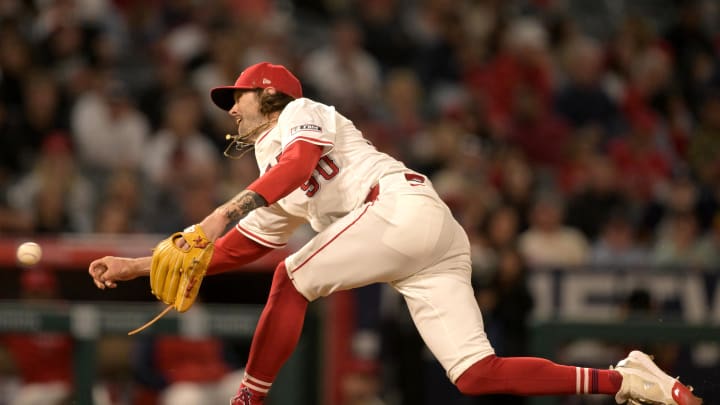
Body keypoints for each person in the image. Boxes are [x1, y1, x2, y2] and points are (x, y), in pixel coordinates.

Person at [88, 62, 701, 405]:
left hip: (397, 209)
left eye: (239, 97)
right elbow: (243, 245)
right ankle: (629, 378)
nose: (232, 108)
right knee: (475, 376)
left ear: (269, 93)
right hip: (427, 243)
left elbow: (299, 166)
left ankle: (246, 402)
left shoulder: (302, 113)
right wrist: (140, 265)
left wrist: (217, 213)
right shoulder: (268, 167)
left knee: (291, 278)